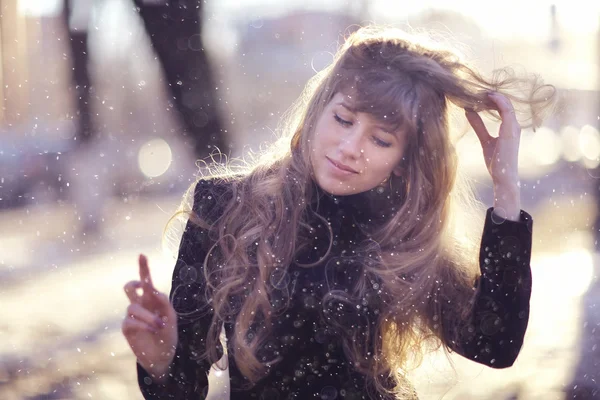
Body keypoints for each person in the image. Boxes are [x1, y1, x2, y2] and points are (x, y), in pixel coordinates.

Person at [121, 26, 555, 399]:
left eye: (381, 140)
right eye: (344, 120)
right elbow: (180, 391)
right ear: (319, 109)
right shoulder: (224, 208)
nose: (350, 148)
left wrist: (506, 190)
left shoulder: (401, 235)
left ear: (404, 159)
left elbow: (495, 344)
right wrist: (161, 362)